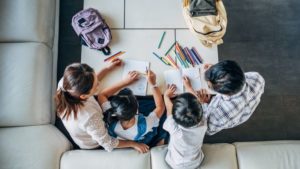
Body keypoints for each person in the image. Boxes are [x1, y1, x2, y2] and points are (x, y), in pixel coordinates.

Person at [55, 59, 149, 153]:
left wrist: (107, 69)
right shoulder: (89, 116)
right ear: (84, 96)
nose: (99, 84)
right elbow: (107, 143)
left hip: (92, 124)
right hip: (94, 142)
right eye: (96, 85)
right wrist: (133, 144)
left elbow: (90, 81)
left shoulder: (66, 83)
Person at [98, 69, 166, 146]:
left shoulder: (109, 115)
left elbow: (102, 95)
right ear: (137, 110)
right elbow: (161, 107)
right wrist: (153, 84)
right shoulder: (145, 124)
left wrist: (125, 82)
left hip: (125, 136)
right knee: (162, 111)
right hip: (142, 135)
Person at [200, 60, 265, 135]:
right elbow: (231, 76)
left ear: (224, 93)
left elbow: (206, 130)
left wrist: (203, 103)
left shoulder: (220, 115)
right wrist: (217, 71)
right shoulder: (256, 78)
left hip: (231, 114)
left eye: (209, 86)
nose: (208, 86)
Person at [163, 79, 207, 169]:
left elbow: (169, 110)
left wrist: (166, 96)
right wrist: (189, 87)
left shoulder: (176, 130)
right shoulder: (203, 123)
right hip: (195, 162)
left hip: (176, 164)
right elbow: (199, 107)